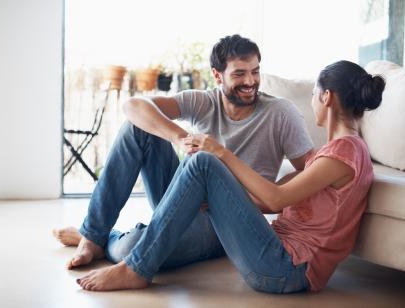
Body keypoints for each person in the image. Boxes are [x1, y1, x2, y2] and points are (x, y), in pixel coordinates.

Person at [71, 60, 385, 292]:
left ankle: (136, 267)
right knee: (201, 163)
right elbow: (269, 201)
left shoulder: (345, 154)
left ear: (327, 97)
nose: (313, 101)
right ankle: (100, 237)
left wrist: (221, 154)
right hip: (275, 256)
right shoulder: (335, 153)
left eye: (316, 94)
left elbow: (276, 197)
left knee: (204, 161)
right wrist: (218, 200)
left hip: (285, 269)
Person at [54, 35, 314, 274]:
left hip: (223, 222)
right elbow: (133, 105)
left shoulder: (280, 113)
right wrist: (180, 138)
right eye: (239, 74)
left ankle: (105, 238)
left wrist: (256, 198)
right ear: (217, 75)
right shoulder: (204, 101)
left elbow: (310, 171)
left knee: (128, 250)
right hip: (180, 197)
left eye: (255, 72)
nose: (250, 82)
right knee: (136, 128)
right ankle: (92, 236)